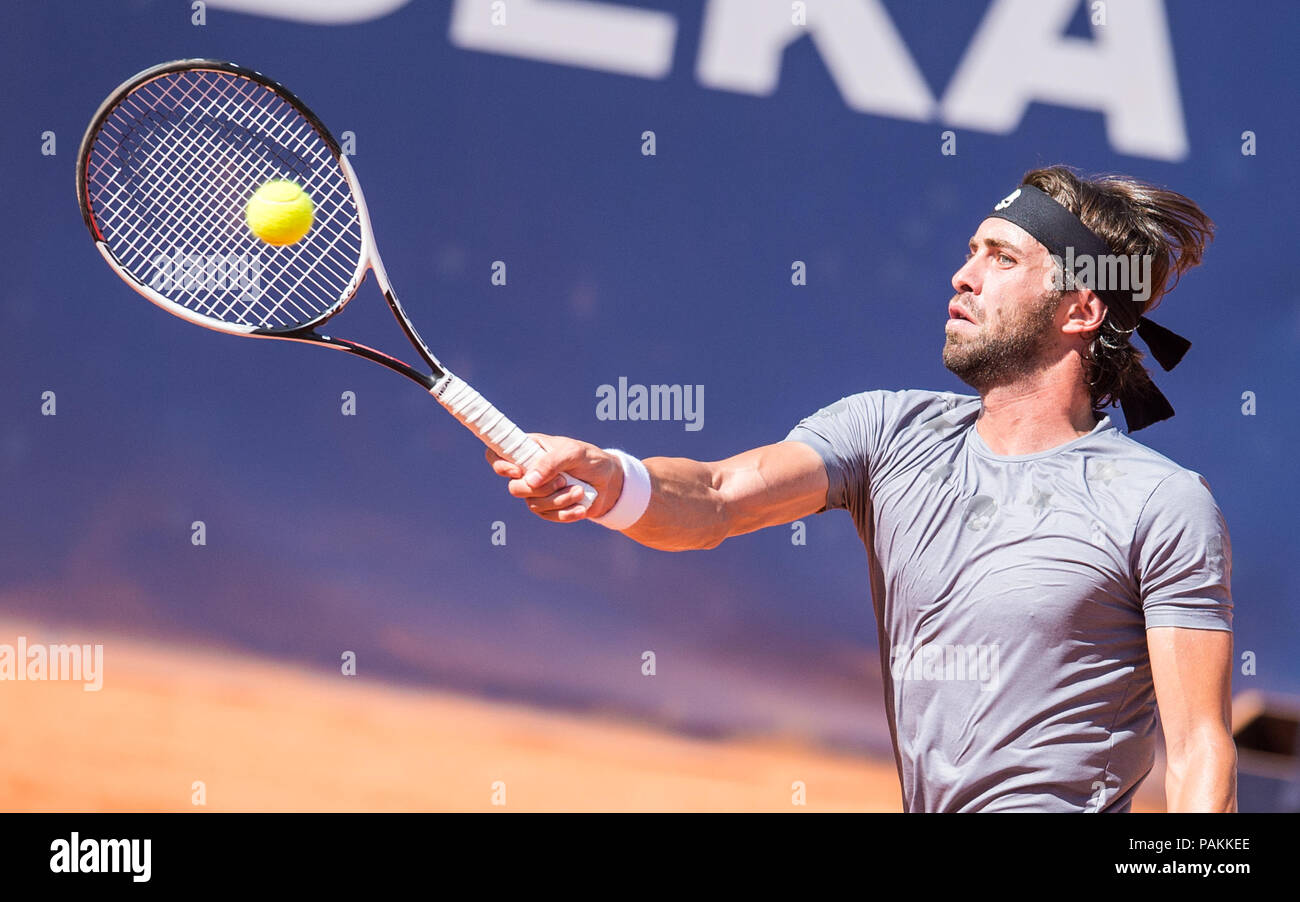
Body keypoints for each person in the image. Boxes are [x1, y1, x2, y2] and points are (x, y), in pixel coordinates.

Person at [485, 165, 1235, 812]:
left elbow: (1201, 749)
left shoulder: (1160, 504)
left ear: (1081, 308)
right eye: (970, 250)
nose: (963, 274)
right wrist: (615, 479)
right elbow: (715, 497)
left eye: (1001, 257)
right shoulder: (885, 434)